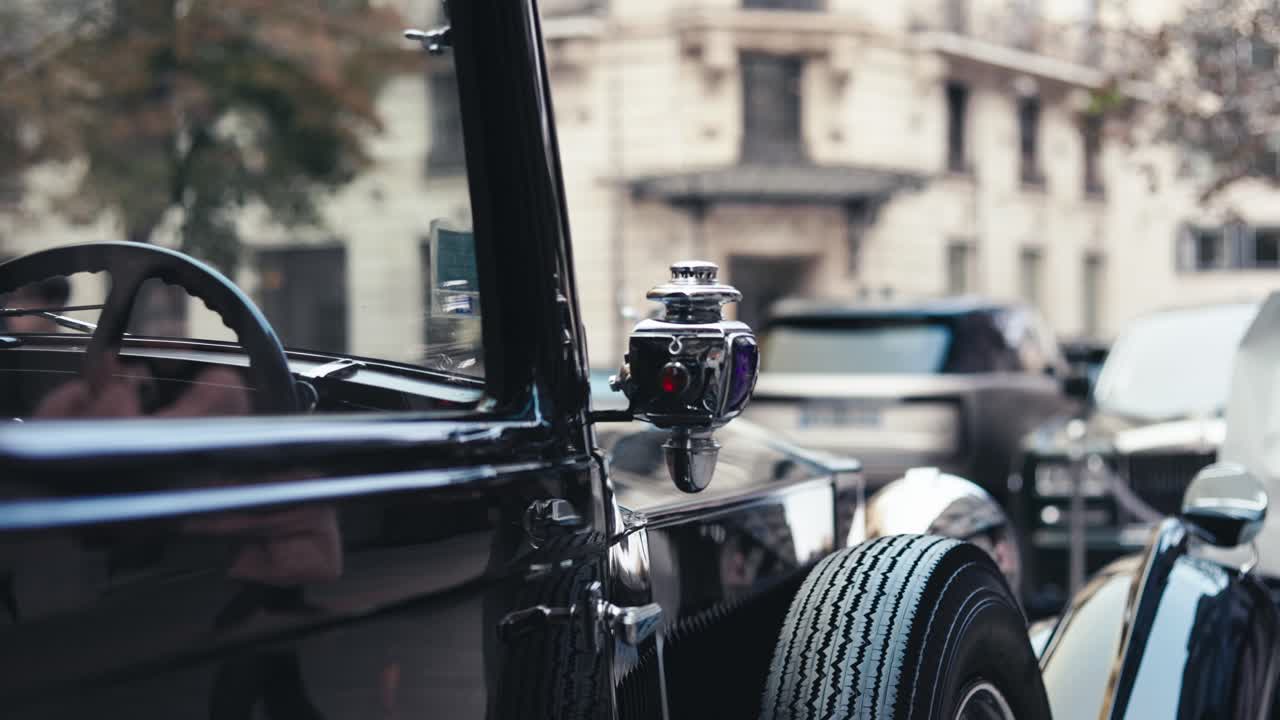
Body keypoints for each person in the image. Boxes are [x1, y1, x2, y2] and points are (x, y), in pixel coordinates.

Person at [3, 276, 71, 334]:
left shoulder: (73, 347)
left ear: (55, 306)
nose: (10, 307)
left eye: (26, 299)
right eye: (9, 298)